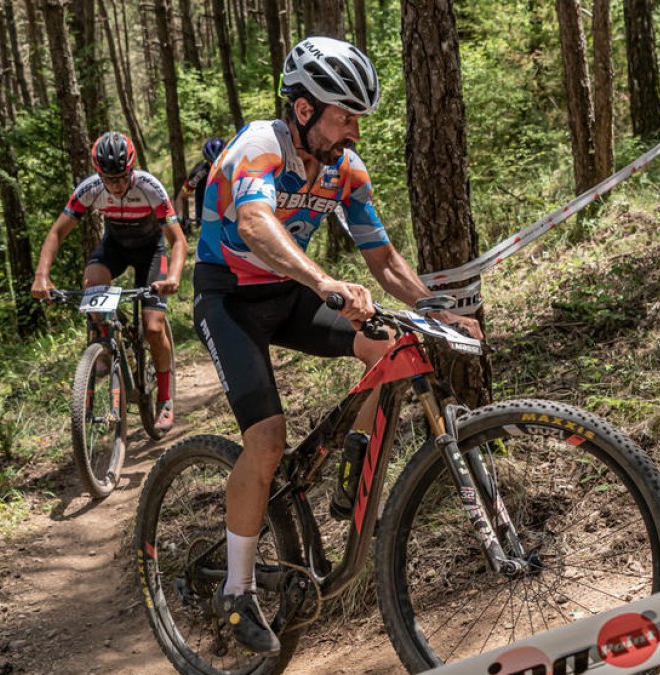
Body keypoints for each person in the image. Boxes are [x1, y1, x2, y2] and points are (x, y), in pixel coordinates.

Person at [192, 36, 482, 654]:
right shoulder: (258, 148)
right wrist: (324, 280)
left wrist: (438, 311)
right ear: (302, 109)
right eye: (343, 114)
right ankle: (236, 592)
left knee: (392, 348)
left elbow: (381, 255)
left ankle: (352, 463)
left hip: (292, 292)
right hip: (230, 298)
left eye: (358, 116)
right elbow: (254, 223)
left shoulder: (347, 170)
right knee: (266, 439)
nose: (354, 128)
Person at [31, 131, 187, 433]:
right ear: (98, 173)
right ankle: (103, 345)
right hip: (114, 245)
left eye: (122, 177)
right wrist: (42, 276)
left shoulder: (150, 187)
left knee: (153, 327)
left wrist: (173, 277)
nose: (116, 185)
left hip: (150, 251)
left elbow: (177, 240)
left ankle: (165, 398)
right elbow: (56, 233)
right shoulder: (89, 189)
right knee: (92, 284)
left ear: (132, 169)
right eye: (109, 179)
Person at [173, 137, 225, 235]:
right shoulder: (200, 173)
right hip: (206, 218)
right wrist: (179, 218)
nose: (216, 166)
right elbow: (181, 197)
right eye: (212, 163)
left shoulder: (233, 167)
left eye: (220, 162)